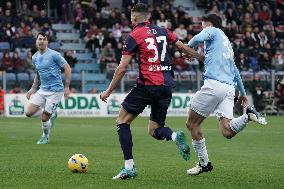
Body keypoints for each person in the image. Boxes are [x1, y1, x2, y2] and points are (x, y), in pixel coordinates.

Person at [100, 3, 204, 180]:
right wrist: (203, 58)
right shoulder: (164, 31)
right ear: (148, 17)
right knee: (155, 129)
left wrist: (109, 90)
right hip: (166, 86)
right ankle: (173, 135)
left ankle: (129, 167)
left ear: (134, 18)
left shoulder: (133, 36)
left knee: (122, 121)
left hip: (148, 84)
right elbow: (184, 48)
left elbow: (123, 67)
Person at [184, 14, 267, 176]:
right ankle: (247, 116)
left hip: (214, 85)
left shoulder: (213, 31)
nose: (203, 29)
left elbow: (197, 37)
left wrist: (187, 46)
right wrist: (243, 93)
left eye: (204, 26)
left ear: (210, 25)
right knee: (227, 131)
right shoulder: (226, 43)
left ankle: (204, 163)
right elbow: (234, 70)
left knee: (191, 124)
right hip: (229, 88)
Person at [25, 32, 71, 144]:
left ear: (47, 42)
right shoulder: (35, 57)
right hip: (43, 89)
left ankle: (45, 136)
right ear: (36, 41)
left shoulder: (54, 55)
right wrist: (33, 88)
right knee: (28, 112)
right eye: (39, 39)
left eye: (44, 39)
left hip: (55, 91)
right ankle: (51, 113)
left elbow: (67, 68)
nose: (41, 41)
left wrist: (67, 87)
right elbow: (38, 73)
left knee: (44, 118)